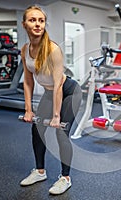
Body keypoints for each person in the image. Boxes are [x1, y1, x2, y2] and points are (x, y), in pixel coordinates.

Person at [19, 5, 82, 195]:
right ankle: (40, 171)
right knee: (37, 129)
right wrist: (28, 110)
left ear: (44, 24)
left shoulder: (53, 49)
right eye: (32, 20)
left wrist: (56, 115)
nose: (37, 24)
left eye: (41, 20)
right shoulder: (25, 50)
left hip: (69, 91)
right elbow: (28, 82)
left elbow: (58, 85)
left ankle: (65, 178)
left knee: (61, 133)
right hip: (49, 92)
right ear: (24, 24)